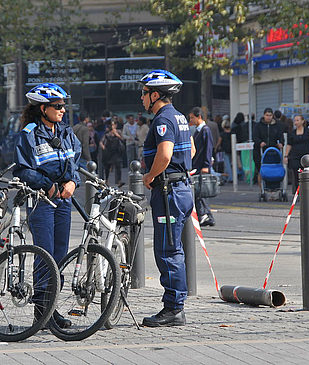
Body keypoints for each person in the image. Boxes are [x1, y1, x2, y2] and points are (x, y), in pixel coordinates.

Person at [13, 83, 81, 328]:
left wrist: (74, 182)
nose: (63, 110)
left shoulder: (66, 133)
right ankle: (42, 313)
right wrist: (47, 185)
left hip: (63, 200)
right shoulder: (29, 133)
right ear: (43, 109)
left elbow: (76, 162)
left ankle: (51, 309)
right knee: (45, 254)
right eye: (58, 106)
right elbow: (23, 169)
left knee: (60, 255)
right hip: (41, 200)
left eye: (64, 106)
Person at [139, 69, 194, 327]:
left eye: (144, 93)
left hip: (168, 191)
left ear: (155, 95)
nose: (141, 98)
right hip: (180, 188)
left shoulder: (163, 119)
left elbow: (165, 154)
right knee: (174, 248)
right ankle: (175, 304)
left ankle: (173, 309)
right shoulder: (179, 117)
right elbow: (191, 149)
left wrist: (150, 175)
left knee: (168, 250)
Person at [189, 107, 215, 227]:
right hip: (196, 165)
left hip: (201, 166)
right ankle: (205, 215)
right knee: (199, 191)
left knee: (201, 192)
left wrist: (206, 165)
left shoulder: (205, 130)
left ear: (199, 117)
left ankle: (205, 215)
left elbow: (208, 149)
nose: (191, 120)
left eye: (192, 118)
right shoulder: (198, 131)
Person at [284, 115, 309, 193]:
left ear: (302, 121)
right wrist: (286, 155)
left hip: (306, 157)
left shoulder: (308, 131)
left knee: (307, 174)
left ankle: (307, 192)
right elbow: (289, 145)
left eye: (298, 120)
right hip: (295, 157)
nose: (296, 122)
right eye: (295, 120)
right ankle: (297, 191)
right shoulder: (292, 133)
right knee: (296, 175)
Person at [253, 108, 284, 188]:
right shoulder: (258, 126)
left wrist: (281, 143)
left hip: (273, 150)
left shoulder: (277, 126)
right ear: (264, 115)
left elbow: (281, 136)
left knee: (274, 168)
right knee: (261, 169)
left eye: (270, 115)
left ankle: (275, 187)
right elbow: (255, 137)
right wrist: (260, 142)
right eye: (267, 115)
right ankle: (262, 189)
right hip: (260, 150)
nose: (268, 117)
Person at [100, 120, 125, 186]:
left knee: (118, 166)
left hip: (116, 151)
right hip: (109, 151)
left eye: (113, 125)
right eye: (111, 125)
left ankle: (119, 181)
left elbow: (122, 140)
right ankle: (106, 180)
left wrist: (116, 134)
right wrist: (103, 146)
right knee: (107, 167)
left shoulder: (118, 132)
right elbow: (102, 140)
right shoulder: (107, 133)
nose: (112, 126)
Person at [216, 119, 233, 184]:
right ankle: (226, 177)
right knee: (228, 165)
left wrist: (216, 148)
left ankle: (230, 177)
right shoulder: (232, 133)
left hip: (224, 150)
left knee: (227, 165)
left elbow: (219, 142)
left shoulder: (222, 134)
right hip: (231, 150)